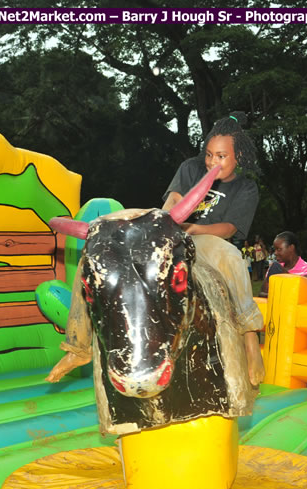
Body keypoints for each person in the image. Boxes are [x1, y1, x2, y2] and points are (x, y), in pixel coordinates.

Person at [51, 112, 266, 386]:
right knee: (96, 259)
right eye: (210, 154)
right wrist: (160, 228)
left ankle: (250, 336)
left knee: (232, 257)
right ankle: (78, 347)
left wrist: (193, 228)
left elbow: (229, 229)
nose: (213, 161)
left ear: (240, 158)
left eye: (222, 156)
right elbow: (174, 197)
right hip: (170, 233)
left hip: (206, 239)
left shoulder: (246, 188)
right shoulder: (191, 168)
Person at [258, 231, 307, 297]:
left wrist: (279, 271)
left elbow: (300, 292)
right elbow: (262, 294)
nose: (275, 253)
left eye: (279, 249)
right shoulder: (273, 268)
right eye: (275, 249)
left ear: (291, 248)